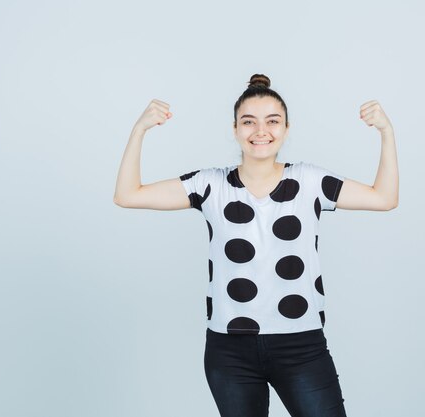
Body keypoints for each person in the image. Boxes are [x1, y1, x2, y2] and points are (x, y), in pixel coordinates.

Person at [113, 74, 399, 417]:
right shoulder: (210, 185)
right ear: (235, 130)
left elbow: (384, 198)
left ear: (286, 129)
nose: (260, 131)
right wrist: (139, 129)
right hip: (230, 350)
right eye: (248, 122)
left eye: (272, 121)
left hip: (301, 344)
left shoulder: (310, 181)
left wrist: (387, 132)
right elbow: (127, 195)